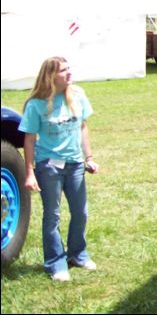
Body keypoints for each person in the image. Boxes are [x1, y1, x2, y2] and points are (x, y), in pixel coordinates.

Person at [20, 56, 100, 282]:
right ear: (50, 76)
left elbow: (83, 126)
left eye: (69, 68)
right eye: (64, 70)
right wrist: (29, 172)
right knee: (52, 216)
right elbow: (29, 139)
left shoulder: (79, 96)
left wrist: (89, 158)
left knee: (80, 212)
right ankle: (55, 263)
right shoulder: (35, 104)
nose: (69, 73)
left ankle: (78, 254)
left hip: (75, 165)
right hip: (48, 167)